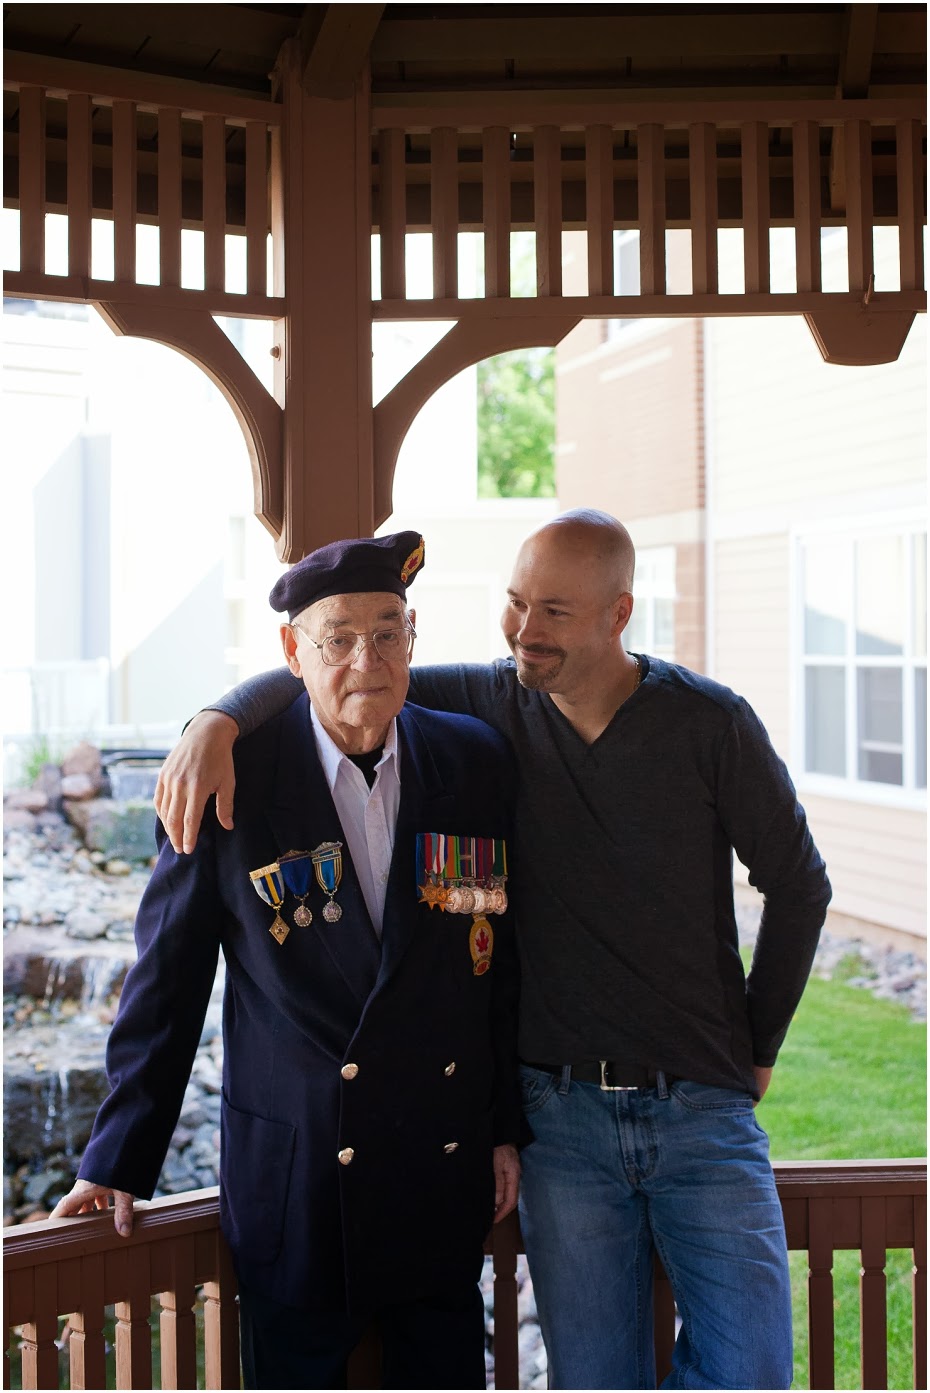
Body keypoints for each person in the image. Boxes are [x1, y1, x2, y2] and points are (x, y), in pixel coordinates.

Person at [155, 509, 832, 1391]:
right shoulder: (497, 696)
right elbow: (337, 666)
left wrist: (758, 1047)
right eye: (516, 602)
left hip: (703, 1106)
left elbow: (800, 885)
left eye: (554, 611)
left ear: (619, 614)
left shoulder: (710, 724)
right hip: (563, 1120)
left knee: (752, 1371)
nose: (524, 630)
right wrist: (216, 719)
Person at [51, 531, 521, 1392]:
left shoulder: (474, 760)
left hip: (438, 1165)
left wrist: (503, 1127)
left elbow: (496, 970)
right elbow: (167, 983)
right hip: (301, 1183)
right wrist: (115, 1157)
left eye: (388, 632)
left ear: (413, 635)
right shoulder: (230, 778)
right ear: (291, 650)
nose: (367, 660)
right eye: (338, 637)